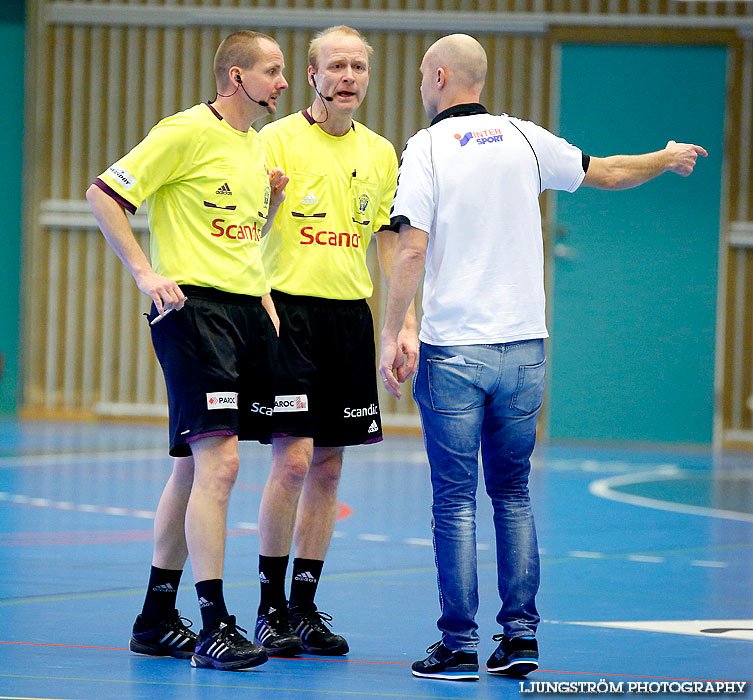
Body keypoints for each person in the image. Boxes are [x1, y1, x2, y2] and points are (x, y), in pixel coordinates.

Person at [378, 34, 707, 682]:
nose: (421, 85)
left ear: (439, 77)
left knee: (455, 501)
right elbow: (607, 170)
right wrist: (664, 157)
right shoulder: (524, 139)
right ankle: (520, 639)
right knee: (512, 495)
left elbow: (409, 249)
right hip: (525, 349)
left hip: (455, 354)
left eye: (422, 75)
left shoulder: (425, 149)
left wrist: (392, 331)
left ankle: (458, 646)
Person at [86, 31, 290, 672]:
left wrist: (268, 235)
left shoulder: (255, 146)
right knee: (220, 467)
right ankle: (214, 625)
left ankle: (155, 619)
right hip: (192, 312)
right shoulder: (183, 131)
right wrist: (146, 272)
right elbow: (104, 194)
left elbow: (231, 232)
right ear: (236, 78)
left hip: (244, 311)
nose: (282, 83)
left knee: (193, 468)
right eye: (273, 71)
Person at [251, 25, 417, 657]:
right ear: (312, 74)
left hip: (349, 320)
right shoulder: (276, 141)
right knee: (292, 460)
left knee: (330, 464)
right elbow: (247, 225)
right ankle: (268, 608)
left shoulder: (380, 153)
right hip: (286, 316)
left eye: (358, 67)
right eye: (336, 66)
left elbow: (388, 242)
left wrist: (401, 325)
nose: (348, 76)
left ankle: (304, 606)